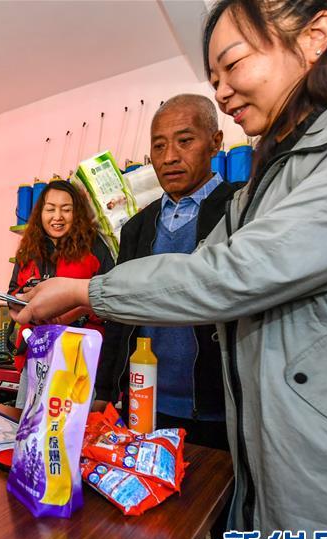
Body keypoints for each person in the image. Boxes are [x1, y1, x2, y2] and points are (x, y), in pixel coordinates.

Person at [14, 1, 327, 539]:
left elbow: (233, 272)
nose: (223, 89)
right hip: (270, 480)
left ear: (316, 36)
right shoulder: (274, 173)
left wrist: (86, 290)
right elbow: (193, 271)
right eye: (212, 76)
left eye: (232, 63)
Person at [95, 94, 243, 448]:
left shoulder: (238, 210)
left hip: (219, 410)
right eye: (159, 146)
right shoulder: (137, 227)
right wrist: (104, 390)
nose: (170, 157)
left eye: (185, 141)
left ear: (215, 142)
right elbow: (120, 315)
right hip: (143, 403)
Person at [8, 179, 114, 405]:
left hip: (79, 354)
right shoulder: (28, 248)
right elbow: (12, 293)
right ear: (40, 214)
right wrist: (22, 300)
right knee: (29, 424)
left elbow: (111, 296)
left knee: (73, 427)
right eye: (50, 209)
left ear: (77, 214)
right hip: (36, 352)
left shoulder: (95, 247)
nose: (58, 217)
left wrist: (77, 309)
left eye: (66, 209)